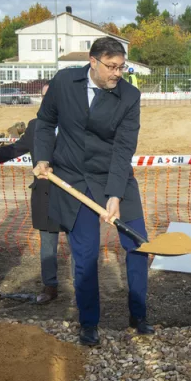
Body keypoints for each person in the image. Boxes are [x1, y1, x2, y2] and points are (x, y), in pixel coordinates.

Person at [32, 37, 153, 346]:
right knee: (85, 256)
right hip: (74, 180)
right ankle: (89, 323)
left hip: (115, 176)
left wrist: (114, 195)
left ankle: (138, 315)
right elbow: (45, 122)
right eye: (111, 66)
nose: (117, 73)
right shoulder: (64, 81)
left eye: (121, 67)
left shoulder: (129, 96)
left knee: (138, 245)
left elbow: (124, 147)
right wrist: (43, 157)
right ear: (93, 61)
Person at [0, 84, 72, 304]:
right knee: (47, 243)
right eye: (44, 97)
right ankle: (50, 287)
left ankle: (82, 288)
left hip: (72, 195)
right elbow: (14, 150)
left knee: (78, 242)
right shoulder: (35, 126)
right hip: (44, 195)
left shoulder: (75, 125)